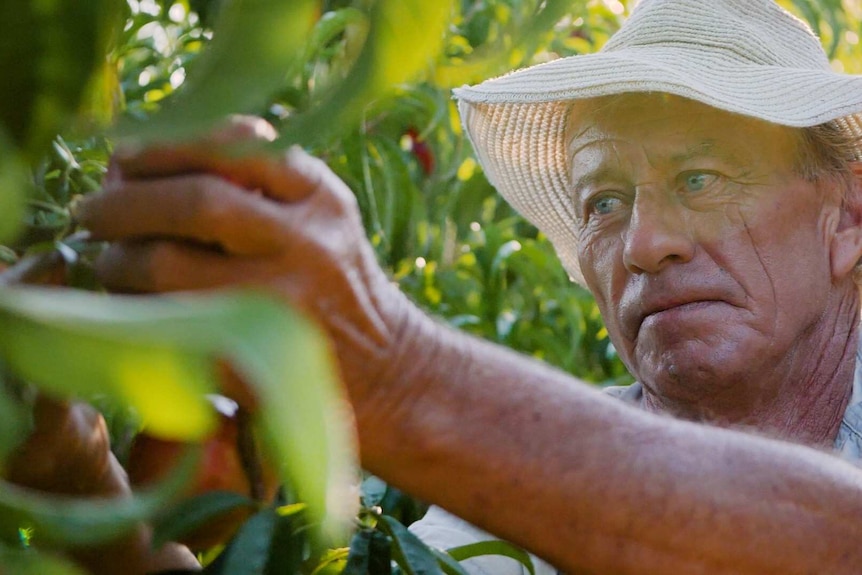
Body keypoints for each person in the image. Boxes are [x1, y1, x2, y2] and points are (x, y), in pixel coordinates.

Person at [17, 0, 862, 572]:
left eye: (703, 179)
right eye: (603, 201)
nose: (643, 244)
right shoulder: (500, 518)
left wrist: (392, 369)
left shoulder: (516, 463)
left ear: (849, 219)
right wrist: (78, 485)